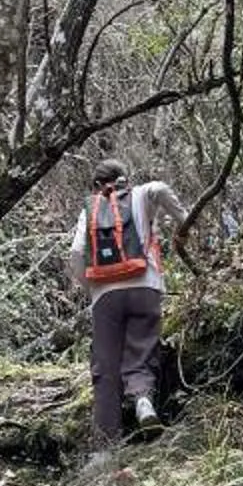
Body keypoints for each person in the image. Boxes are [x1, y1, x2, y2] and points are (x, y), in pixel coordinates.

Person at [69, 159, 186, 444]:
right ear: (125, 179)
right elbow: (159, 188)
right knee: (142, 348)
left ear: (96, 185)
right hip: (145, 286)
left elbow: (76, 253)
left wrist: (92, 289)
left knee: (105, 368)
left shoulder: (92, 209)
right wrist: (184, 221)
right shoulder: (140, 195)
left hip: (104, 297)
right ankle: (143, 400)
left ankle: (106, 446)